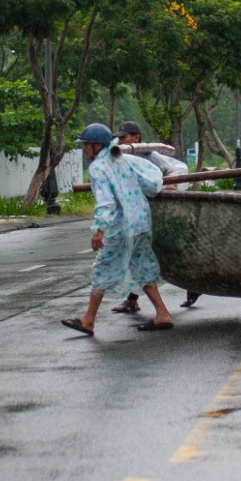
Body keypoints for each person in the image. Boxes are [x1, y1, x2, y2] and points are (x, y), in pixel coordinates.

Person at [61, 123, 173, 336]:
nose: (84, 150)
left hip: (121, 227)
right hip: (141, 221)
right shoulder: (124, 159)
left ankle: (88, 321)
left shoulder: (98, 168)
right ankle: (162, 314)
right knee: (141, 265)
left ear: (96, 146)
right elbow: (151, 179)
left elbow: (106, 202)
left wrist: (99, 229)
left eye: (86, 145)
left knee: (102, 268)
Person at [109, 120, 198, 314]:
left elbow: (177, 171)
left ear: (136, 138)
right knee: (141, 256)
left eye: (124, 137)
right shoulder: (121, 157)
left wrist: (169, 185)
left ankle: (193, 286)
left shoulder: (150, 155)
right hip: (141, 213)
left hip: (159, 212)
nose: (121, 140)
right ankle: (132, 300)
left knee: (164, 253)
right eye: (119, 138)